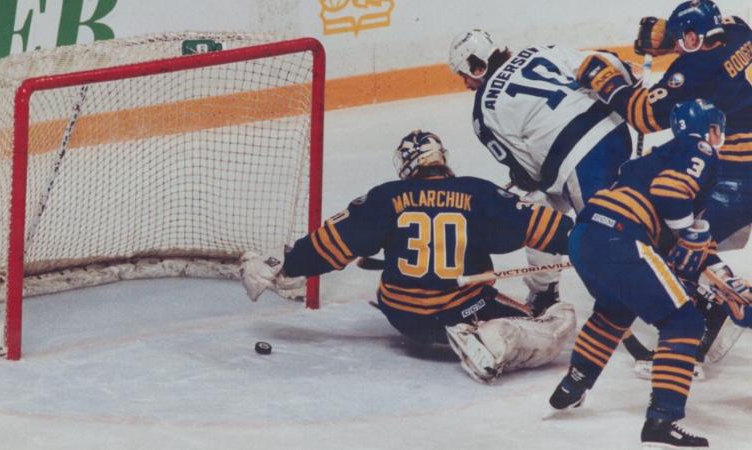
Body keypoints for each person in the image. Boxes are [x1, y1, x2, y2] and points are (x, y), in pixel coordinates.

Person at [239, 130, 576, 382]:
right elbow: (541, 226)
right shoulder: (478, 193)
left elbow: (332, 244)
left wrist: (283, 264)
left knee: (402, 292)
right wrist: (589, 240)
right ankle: (493, 339)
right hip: (463, 307)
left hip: (402, 315)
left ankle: (466, 331)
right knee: (556, 321)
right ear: (441, 158)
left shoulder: (385, 197)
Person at [582, 0, 752, 370]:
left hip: (737, 176)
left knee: (676, 241)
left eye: (680, 39)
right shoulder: (739, 34)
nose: (675, 46)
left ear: (693, 38)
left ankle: (706, 328)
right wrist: (668, 37)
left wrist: (607, 84)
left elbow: (644, 116)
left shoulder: (693, 68)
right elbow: (733, 21)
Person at [547, 99, 725, 448]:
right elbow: (671, 193)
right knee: (683, 322)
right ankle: (663, 420)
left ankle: (574, 384)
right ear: (713, 129)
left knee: (615, 310)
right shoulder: (699, 147)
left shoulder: (651, 158)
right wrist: (689, 237)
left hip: (586, 236)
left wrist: (690, 246)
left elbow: (661, 207)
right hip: (621, 238)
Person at [447, 28, 634, 315]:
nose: (466, 84)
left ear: (477, 65)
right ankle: (545, 290)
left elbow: (528, 171)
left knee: (599, 238)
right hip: (617, 132)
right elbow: (603, 62)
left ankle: (661, 310)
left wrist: (525, 181)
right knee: (623, 213)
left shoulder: (483, 111)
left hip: (582, 164)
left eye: (465, 75)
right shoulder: (541, 49)